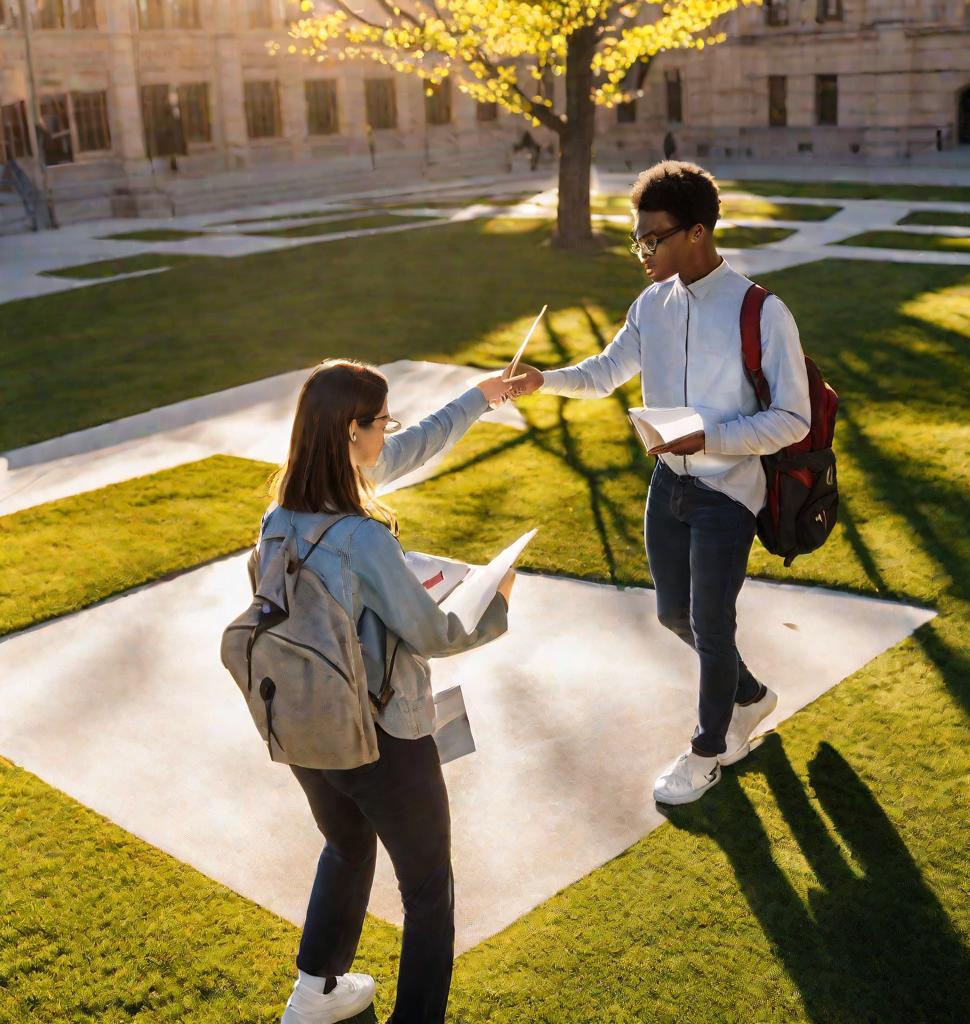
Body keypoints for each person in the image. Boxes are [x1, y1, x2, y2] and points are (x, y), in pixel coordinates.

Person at [510, 161, 811, 805]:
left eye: (652, 238)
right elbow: (604, 371)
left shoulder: (761, 312)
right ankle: (752, 697)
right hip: (667, 481)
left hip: (728, 490)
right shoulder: (651, 304)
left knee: (711, 619)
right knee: (675, 613)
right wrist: (544, 380)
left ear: (697, 233)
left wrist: (710, 439)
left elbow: (792, 418)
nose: (640, 251)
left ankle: (709, 749)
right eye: (637, 237)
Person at [262, 360, 518, 1024]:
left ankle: (314, 992)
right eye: (381, 422)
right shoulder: (364, 538)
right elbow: (434, 632)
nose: (388, 434)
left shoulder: (280, 515)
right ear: (351, 432)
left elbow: (407, 449)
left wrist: (478, 399)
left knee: (346, 843)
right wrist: (493, 601)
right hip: (383, 736)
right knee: (429, 887)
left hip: (301, 726)